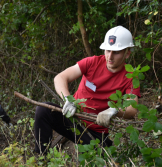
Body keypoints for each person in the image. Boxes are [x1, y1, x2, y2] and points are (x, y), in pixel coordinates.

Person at [34, 26, 141, 154]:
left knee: (103, 159)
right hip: (73, 119)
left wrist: (114, 110)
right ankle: (41, 158)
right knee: (44, 109)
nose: (110, 56)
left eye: (116, 52)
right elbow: (60, 78)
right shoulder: (92, 63)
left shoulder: (131, 76)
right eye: (107, 50)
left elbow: (132, 110)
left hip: (95, 131)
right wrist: (68, 99)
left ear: (127, 53)